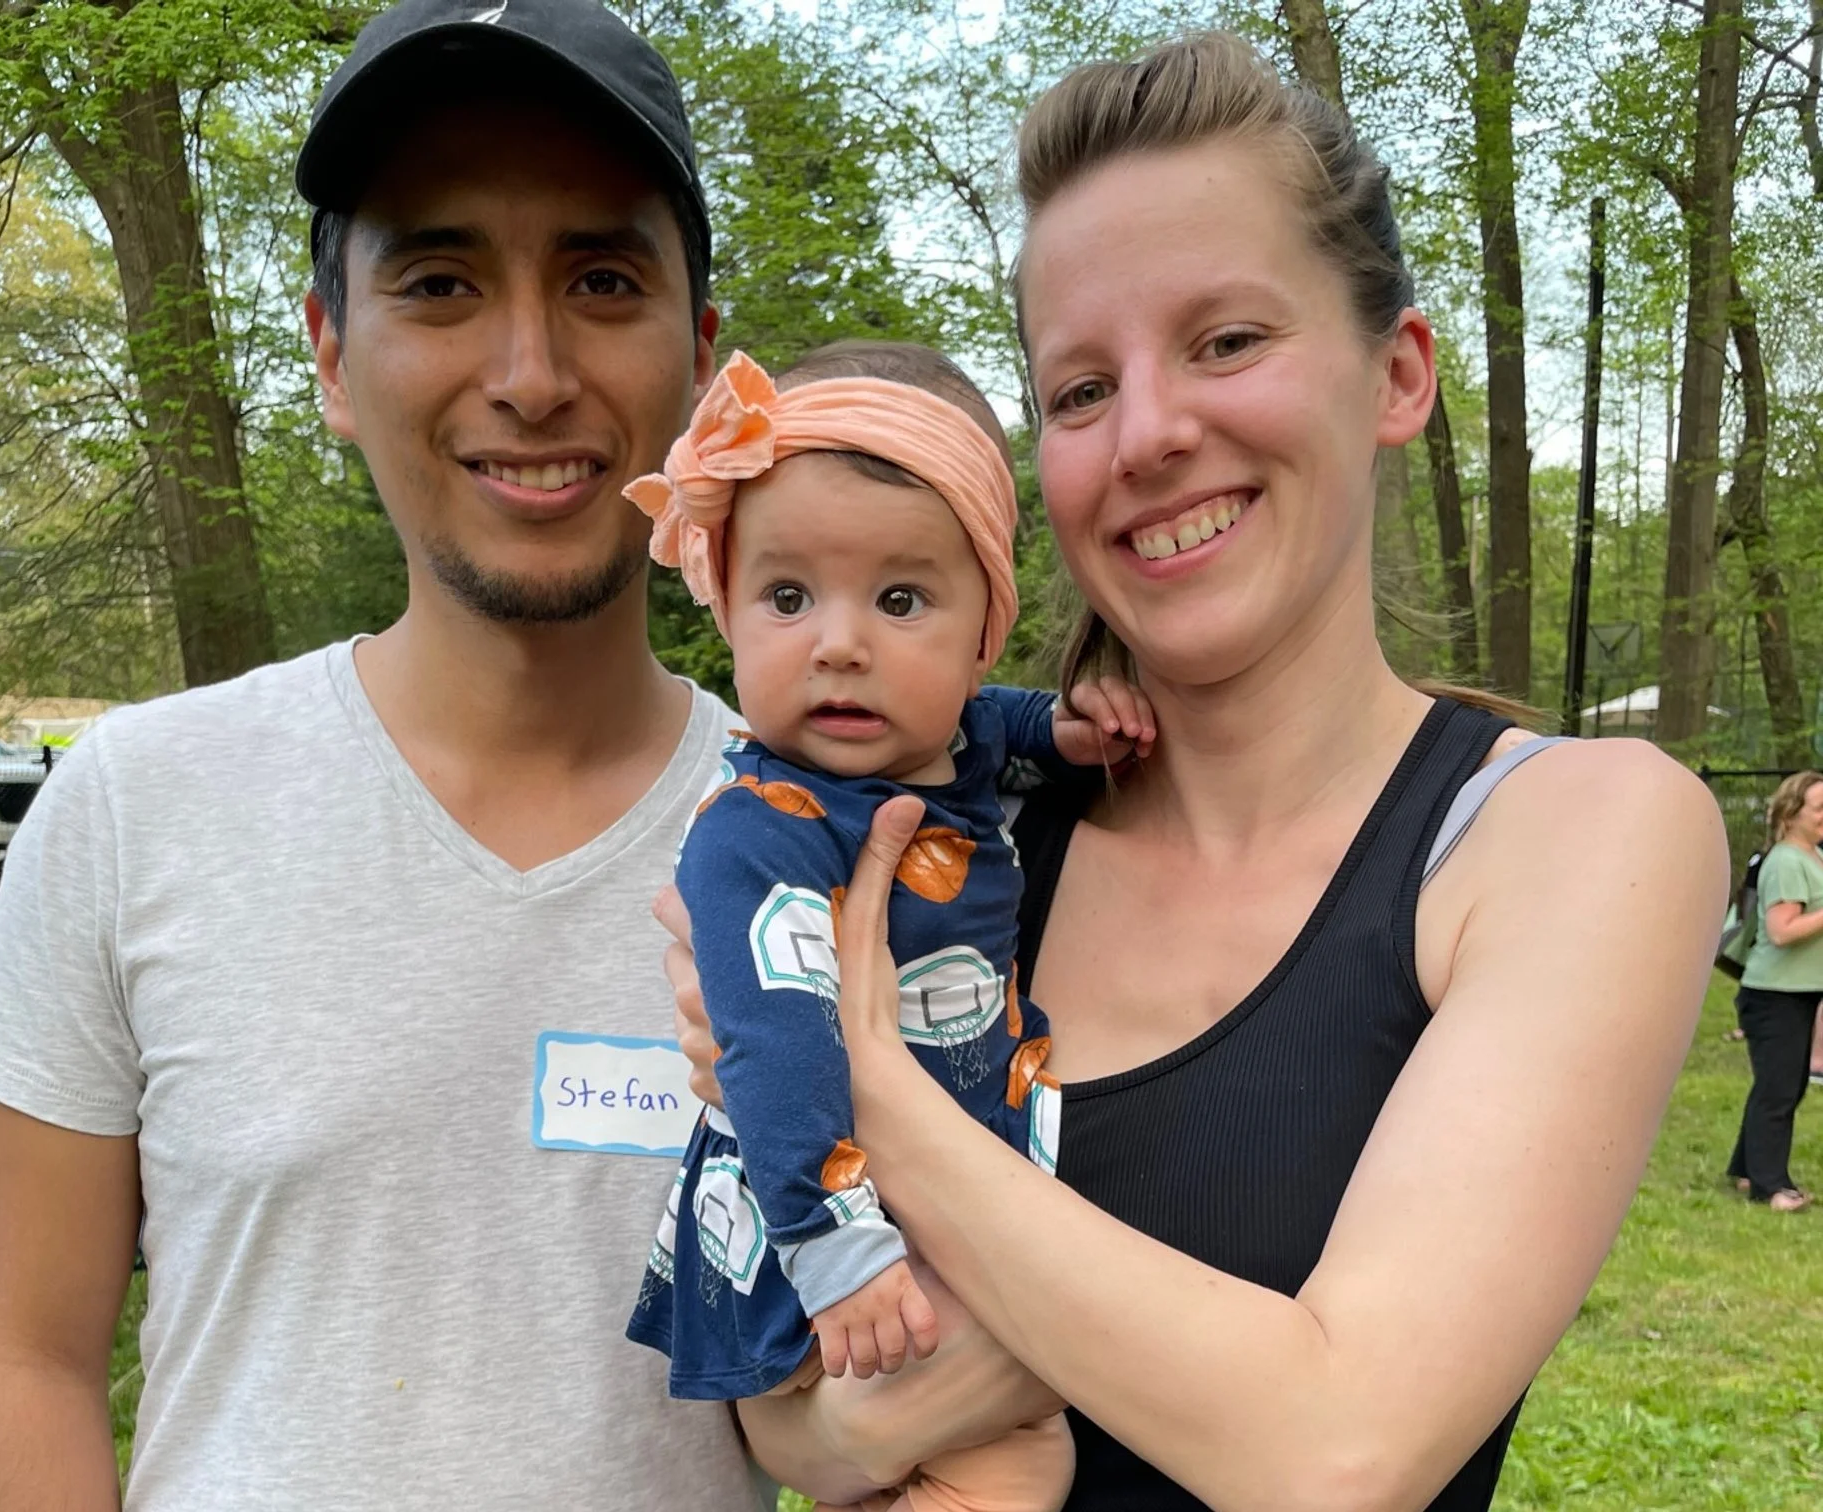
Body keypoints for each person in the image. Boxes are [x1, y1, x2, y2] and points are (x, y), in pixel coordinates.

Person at [658, 33, 1726, 1510]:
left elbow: (1339, 1454)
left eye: (1227, 342)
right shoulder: (970, 826)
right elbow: (782, 1431)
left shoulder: (1567, 832)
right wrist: (858, 1419)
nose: (1151, 435)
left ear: (1397, 374)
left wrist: (868, 1089)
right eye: (1082, 389)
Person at [0, 1, 774, 1506]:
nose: (531, 373)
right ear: (331, 355)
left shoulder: (824, 846)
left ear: (707, 371)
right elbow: (26, 1351)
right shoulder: (133, 809)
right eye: (441, 282)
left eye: (602, 280)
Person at [623, 342, 1151, 1511]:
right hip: (831, 1222)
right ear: (727, 608)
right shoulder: (762, 829)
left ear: (983, 629)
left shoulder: (953, 743)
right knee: (1020, 1448)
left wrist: (1066, 733)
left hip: (937, 1197)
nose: (840, 644)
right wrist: (835, 1246)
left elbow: (996, 724)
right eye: (788, 597)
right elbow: (771, 1044)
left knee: (1001, 1453)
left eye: (900, 600)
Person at [1727, 770, 1823, 1211]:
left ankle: (1747, 1169)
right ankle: (1771, 1186)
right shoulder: (1785, 861)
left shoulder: (1813, 856)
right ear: (1791, 813)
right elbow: (1782, 931)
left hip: (1798, 991)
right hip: (1774, 995)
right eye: (1818, 808)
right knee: (1779, 1091)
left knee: (1782, 1085)